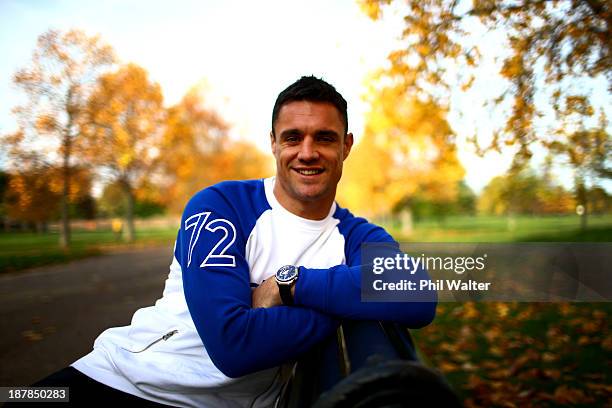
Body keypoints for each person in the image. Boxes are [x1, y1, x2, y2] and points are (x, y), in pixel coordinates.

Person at [29, 76, 437, 407]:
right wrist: (345, 302)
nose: (307, 152)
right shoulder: (220, 205)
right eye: (293, 137)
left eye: (325, 138)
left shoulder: (357, 235)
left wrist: (290, 286)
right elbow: (234, 345)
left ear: (346, 146)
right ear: (274, 144)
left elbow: (418, 294)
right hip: (119, 381)